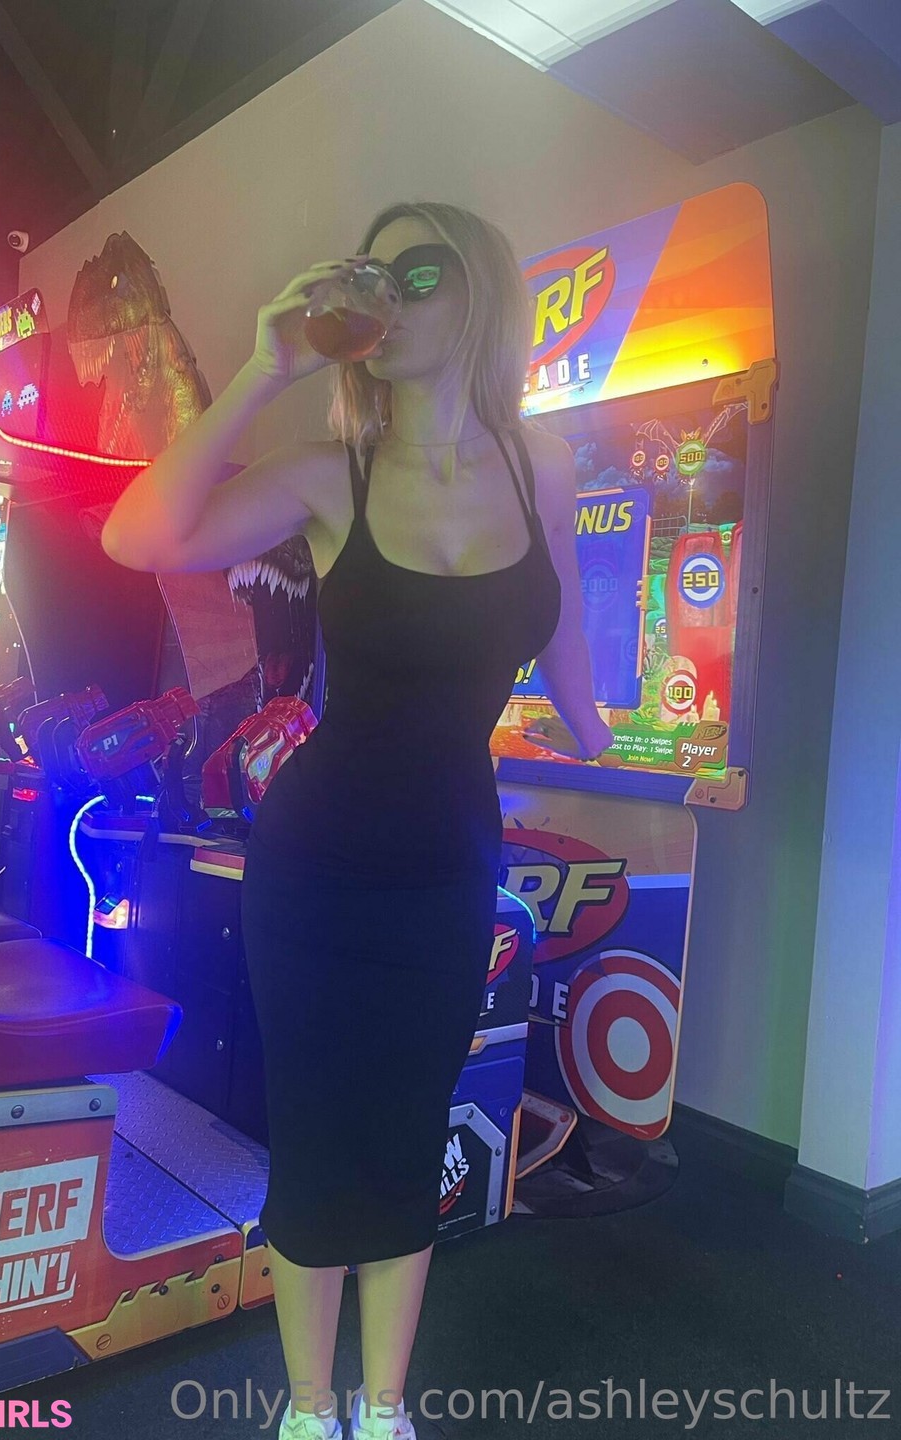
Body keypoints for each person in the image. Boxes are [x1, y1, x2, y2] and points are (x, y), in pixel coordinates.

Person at [102, 201, 612, 1440]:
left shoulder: (539, 464)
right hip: (318, 866)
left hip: (449, 862)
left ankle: (382, 1411)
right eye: (373, 278)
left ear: (480, 291)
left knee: (406, 1131)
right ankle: (308, 1409)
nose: (388, 298)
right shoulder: (331, 471)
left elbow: (566, 645)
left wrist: (604, 735)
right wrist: (266, 368)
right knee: (324, 1137)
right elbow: (138, 533)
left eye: (417, 275)